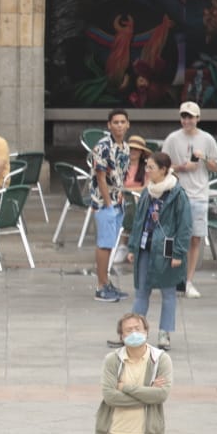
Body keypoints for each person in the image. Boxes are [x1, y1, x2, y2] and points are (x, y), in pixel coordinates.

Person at [124, 151, 189, 350]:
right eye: (147, 166)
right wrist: (133, 246)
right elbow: (138, 222)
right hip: (145, 248)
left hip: (166, 250)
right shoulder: (147, 192)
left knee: (168, 293)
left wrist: (178, 253)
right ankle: (134, 331)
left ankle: (164, 333)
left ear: (163, 170)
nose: (147, 170)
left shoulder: (177, 194)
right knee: (141, 291)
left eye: (151, 167)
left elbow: (184, 226)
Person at [160, 101, 217, 299]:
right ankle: (170, 277)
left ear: (198, 119)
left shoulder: (207, 139)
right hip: (177, 193)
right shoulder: (172, 139)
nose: (187, 120)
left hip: (200, 194)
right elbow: (162, 166)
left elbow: (216, 167)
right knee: (172, 236)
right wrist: (182, 167)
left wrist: (203, 159)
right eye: (184, 117)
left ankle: (188, 280)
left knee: (195, 237)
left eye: (190, 117)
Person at [90, 108, 132, 303]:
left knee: (110, 245)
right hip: (105, 202)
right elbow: (101, 177)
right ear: (109, 125)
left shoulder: (125, 146)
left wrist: (120, 199)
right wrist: (108, 204)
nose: (119, 125)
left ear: (128, 124)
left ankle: (107, 282)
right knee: (104, 244)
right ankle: (100, 286)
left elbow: (122, 175)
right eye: (115, 122)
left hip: (118, 200)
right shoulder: (103, 146)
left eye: (123, 122)